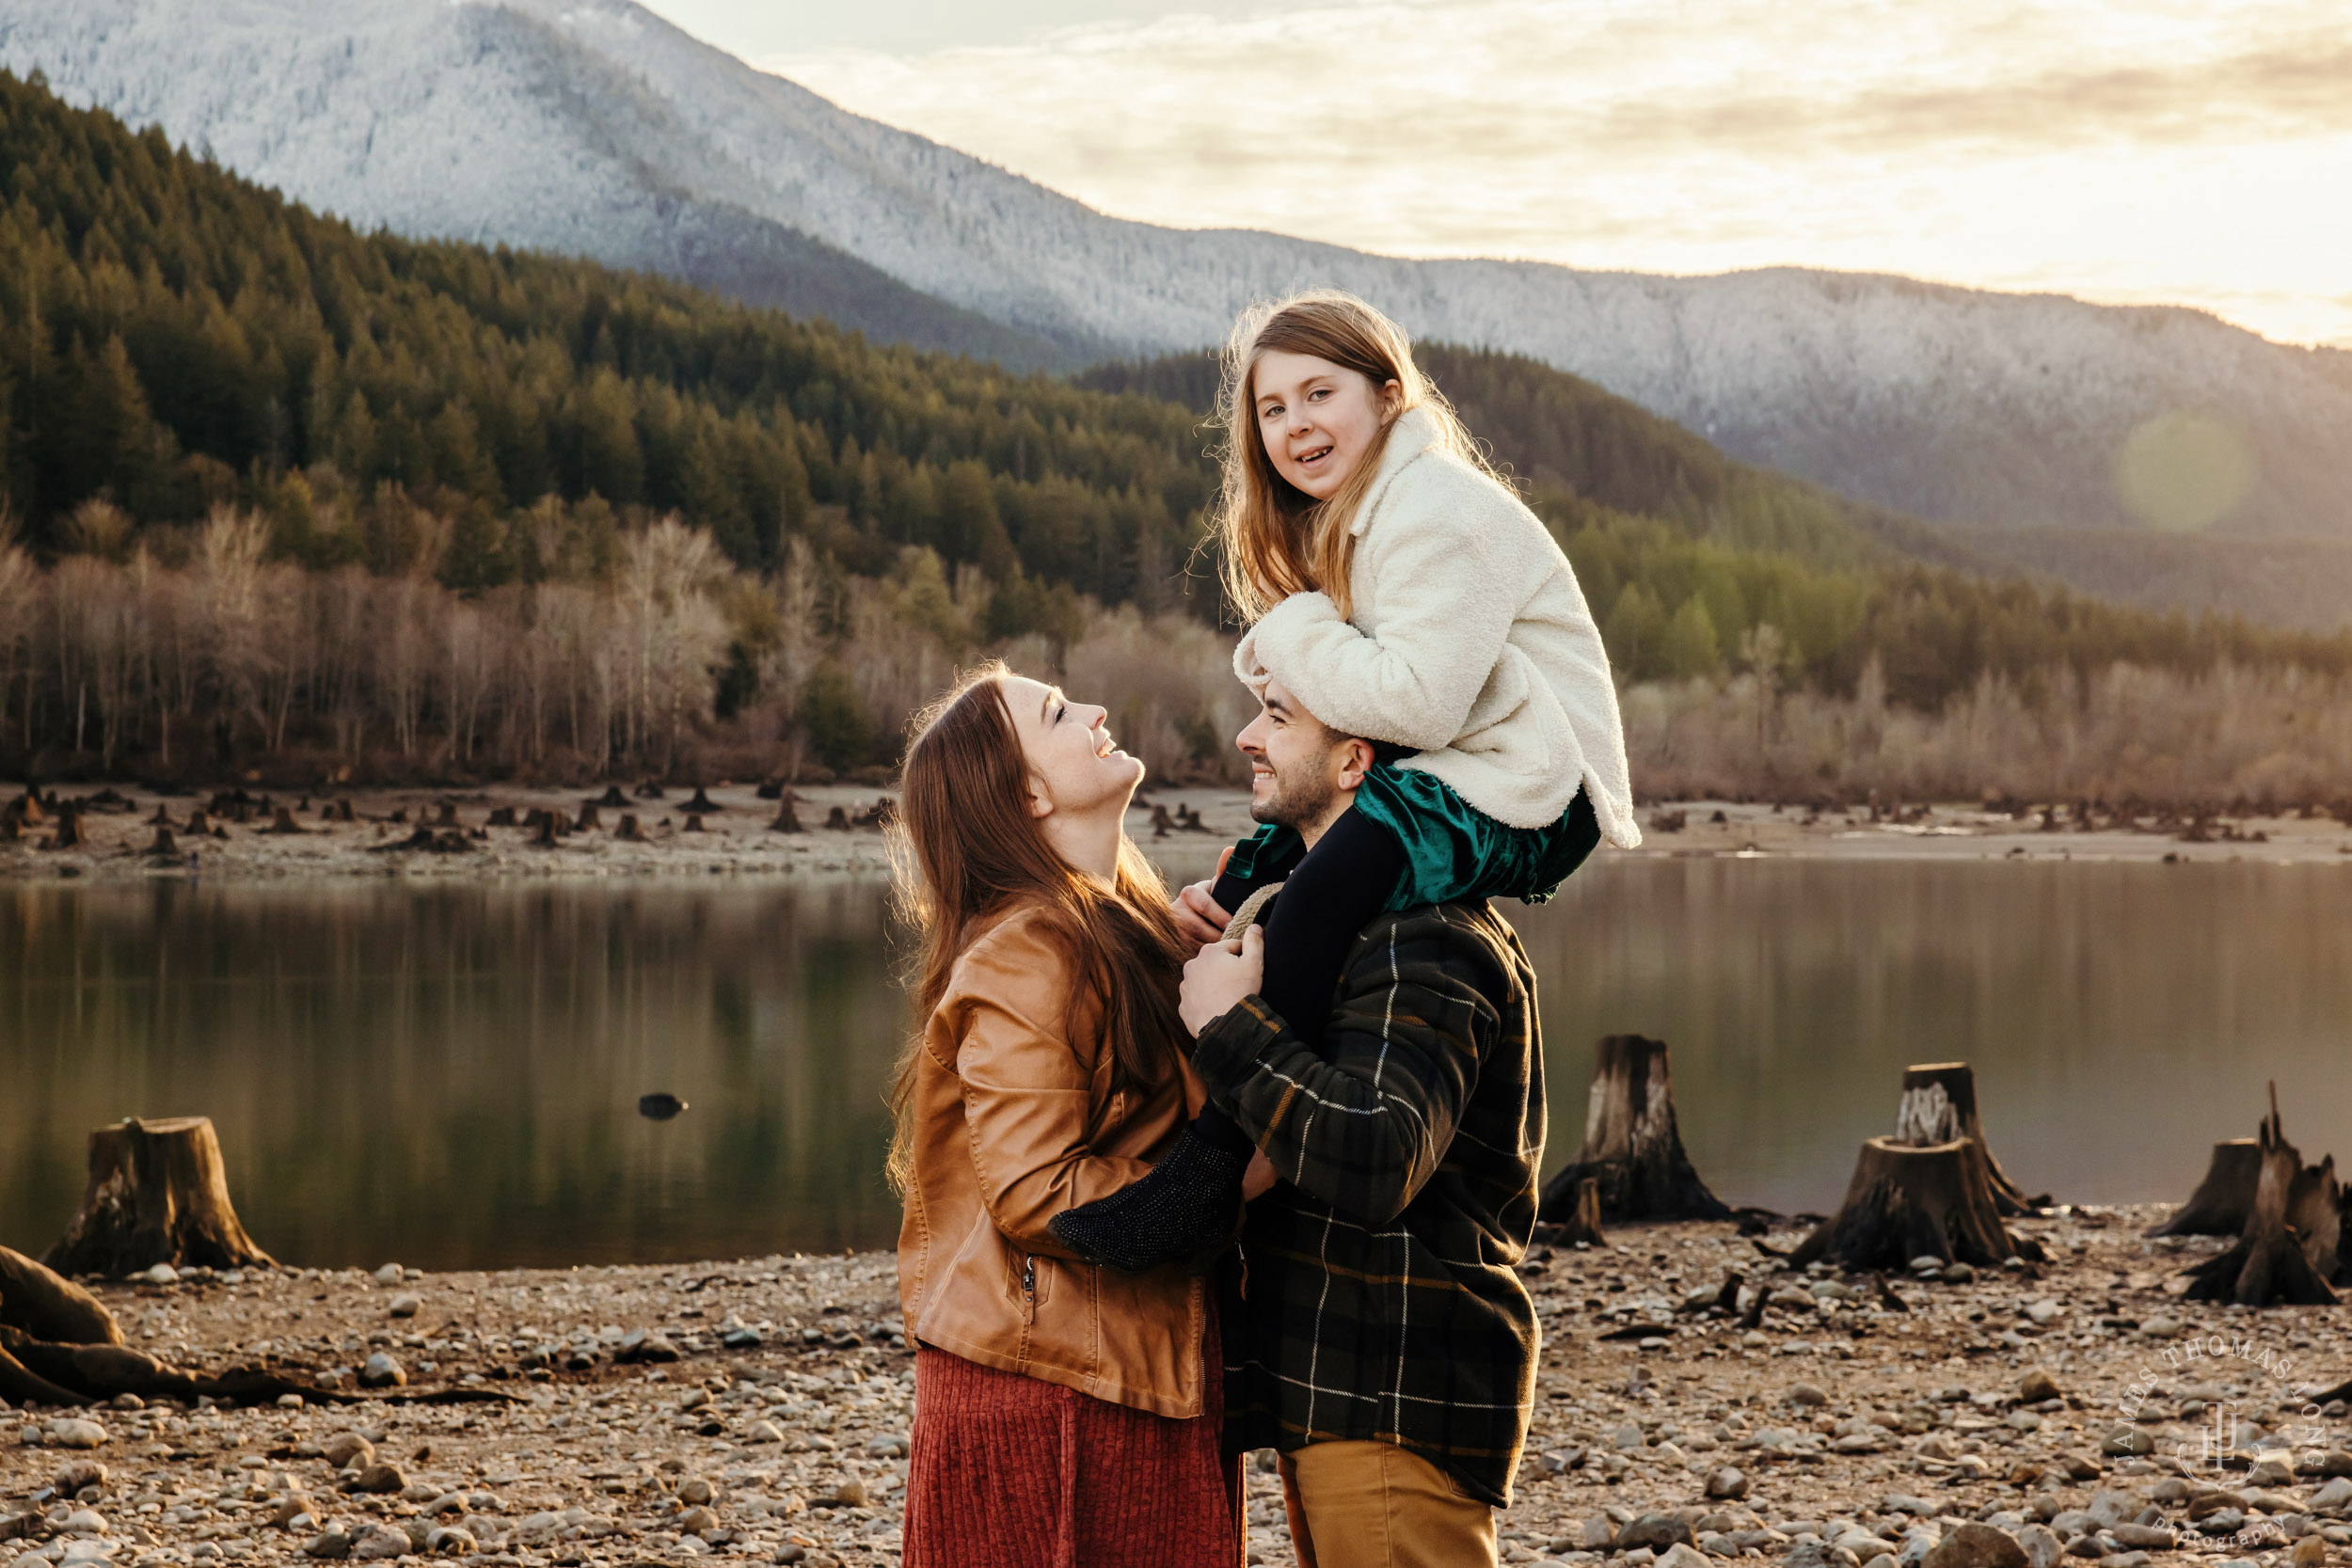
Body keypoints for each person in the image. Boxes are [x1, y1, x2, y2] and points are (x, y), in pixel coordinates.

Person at [1050, 288, 1637, 1273]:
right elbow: (1370, 719)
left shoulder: (1433, 508)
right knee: (1247, 878)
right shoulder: (1359, 518)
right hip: (1462, 756)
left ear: (1388, 394)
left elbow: (1413, 706)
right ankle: (1152, 1115)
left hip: (1534, 780)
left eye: (1319, 392)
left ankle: (1215, 1169)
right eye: (1271, 409)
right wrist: (1239, 893)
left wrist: (1291, 626)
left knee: (1324, 887)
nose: (1294, 425)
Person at [889, 661, 1246, 1568]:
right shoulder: (1030, 948)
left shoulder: (1113, 928)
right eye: (1056, 712)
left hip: (1122, 1373)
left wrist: (1197, 960)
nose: (1095, 709)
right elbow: (1044, 1196)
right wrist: (1221, 1161)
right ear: (1029, 793)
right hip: (1052, 1400)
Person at [1191, 675, 1550, 1568]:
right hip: (1343, 1388)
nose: (1247, 737)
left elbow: (1377, 1153)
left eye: (1278, 718)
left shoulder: (1423, 930)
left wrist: (1232, 1029)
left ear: (1356, 761)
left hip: (1396, 1389)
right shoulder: (1345, 925)